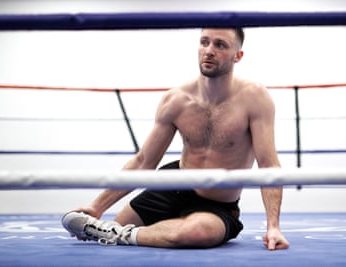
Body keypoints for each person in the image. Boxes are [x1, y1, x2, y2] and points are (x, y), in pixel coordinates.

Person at [62, 28, 290, 251]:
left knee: (198, 233)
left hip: (216, 203)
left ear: (238, 56)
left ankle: (120, 234)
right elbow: (144, 161)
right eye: (204, 42)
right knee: (114, 225)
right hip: (173, 184)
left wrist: (274, 227)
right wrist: (96, 207)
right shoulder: (177, 100)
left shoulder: (254, 98)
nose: (209, 51)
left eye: (220, 45)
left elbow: (268, 164)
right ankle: (120, 231)